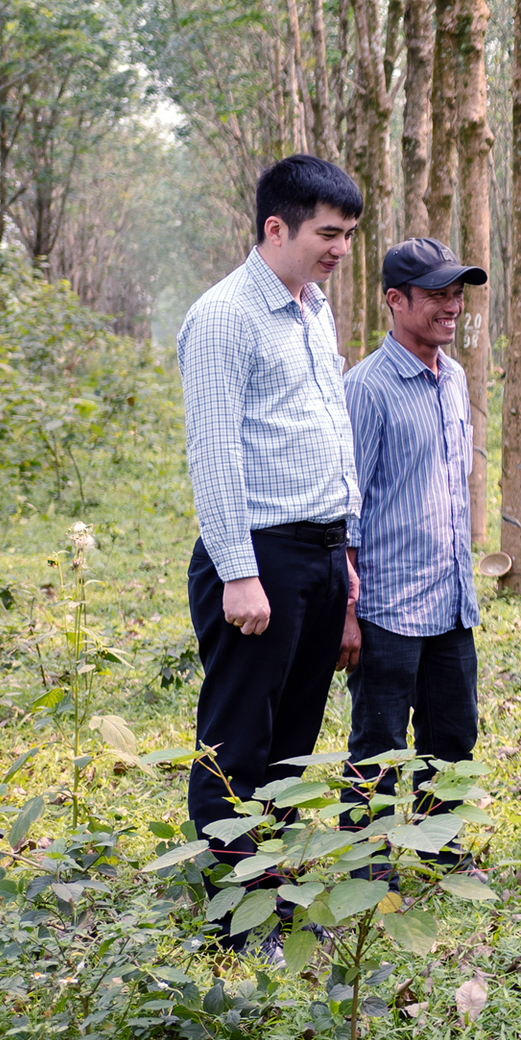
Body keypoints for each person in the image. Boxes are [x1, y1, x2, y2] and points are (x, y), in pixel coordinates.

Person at [177, 154, 362, 945]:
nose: (340, 249)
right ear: (275, 227)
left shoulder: (313, 307)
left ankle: (278, 897)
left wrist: (344, 557)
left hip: (320, 553)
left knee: (294, 742)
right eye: (328, 232)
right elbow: (215, 453)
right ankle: (233, 915)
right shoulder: (224, 317)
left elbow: (326, 433)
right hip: (259, 557)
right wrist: (239, 572)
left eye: (349, 234)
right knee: (237, 741)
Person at [341, 238, 487, 873]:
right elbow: (347, 504)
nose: (451, 306)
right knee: (378, 741)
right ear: (395, 301)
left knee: (452, 736)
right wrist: (347, 606)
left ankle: (440, 850)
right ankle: (367, 862)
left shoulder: (453, 378)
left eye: (456, 294)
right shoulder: (367, 389)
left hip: (450, 596)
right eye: (436, 295)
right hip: (385, 601)